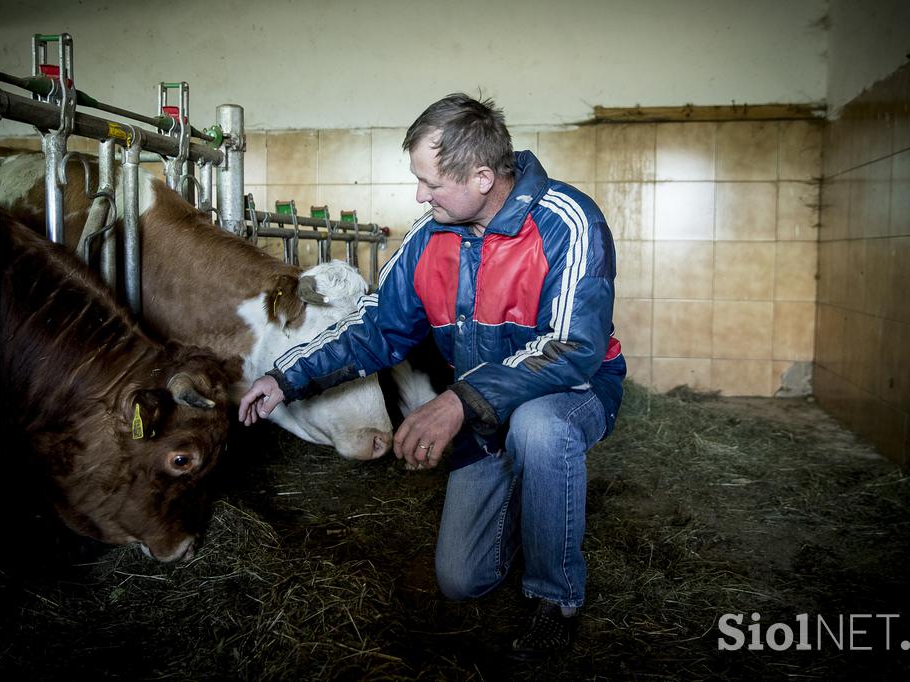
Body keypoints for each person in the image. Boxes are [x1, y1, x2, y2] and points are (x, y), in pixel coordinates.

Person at [239, 93, 625, 660]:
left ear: (483, 177)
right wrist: (287, 377)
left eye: (431, 182)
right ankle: (535, 506)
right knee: (460, 580)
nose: (420, 195)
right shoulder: (429, 238)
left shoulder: (568, 221)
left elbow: (572, 348)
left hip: (572, 392)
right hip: (483, 407)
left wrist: (456, 402)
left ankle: (556, 598)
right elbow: (377, 329)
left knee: (540, 430)